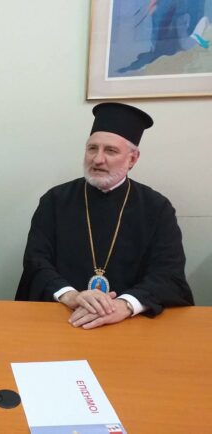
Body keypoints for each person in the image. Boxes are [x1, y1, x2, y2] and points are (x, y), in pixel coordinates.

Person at [16, 102, 194, 329]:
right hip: (62, 317)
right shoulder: (55, 200)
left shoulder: (157, 208)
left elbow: (168, 273)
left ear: (132, 159)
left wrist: (125, 305)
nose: (97, 159)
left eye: (110, 151)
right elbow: (36, 261)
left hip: (131, 324)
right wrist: (71, 295)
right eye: (92, 148)